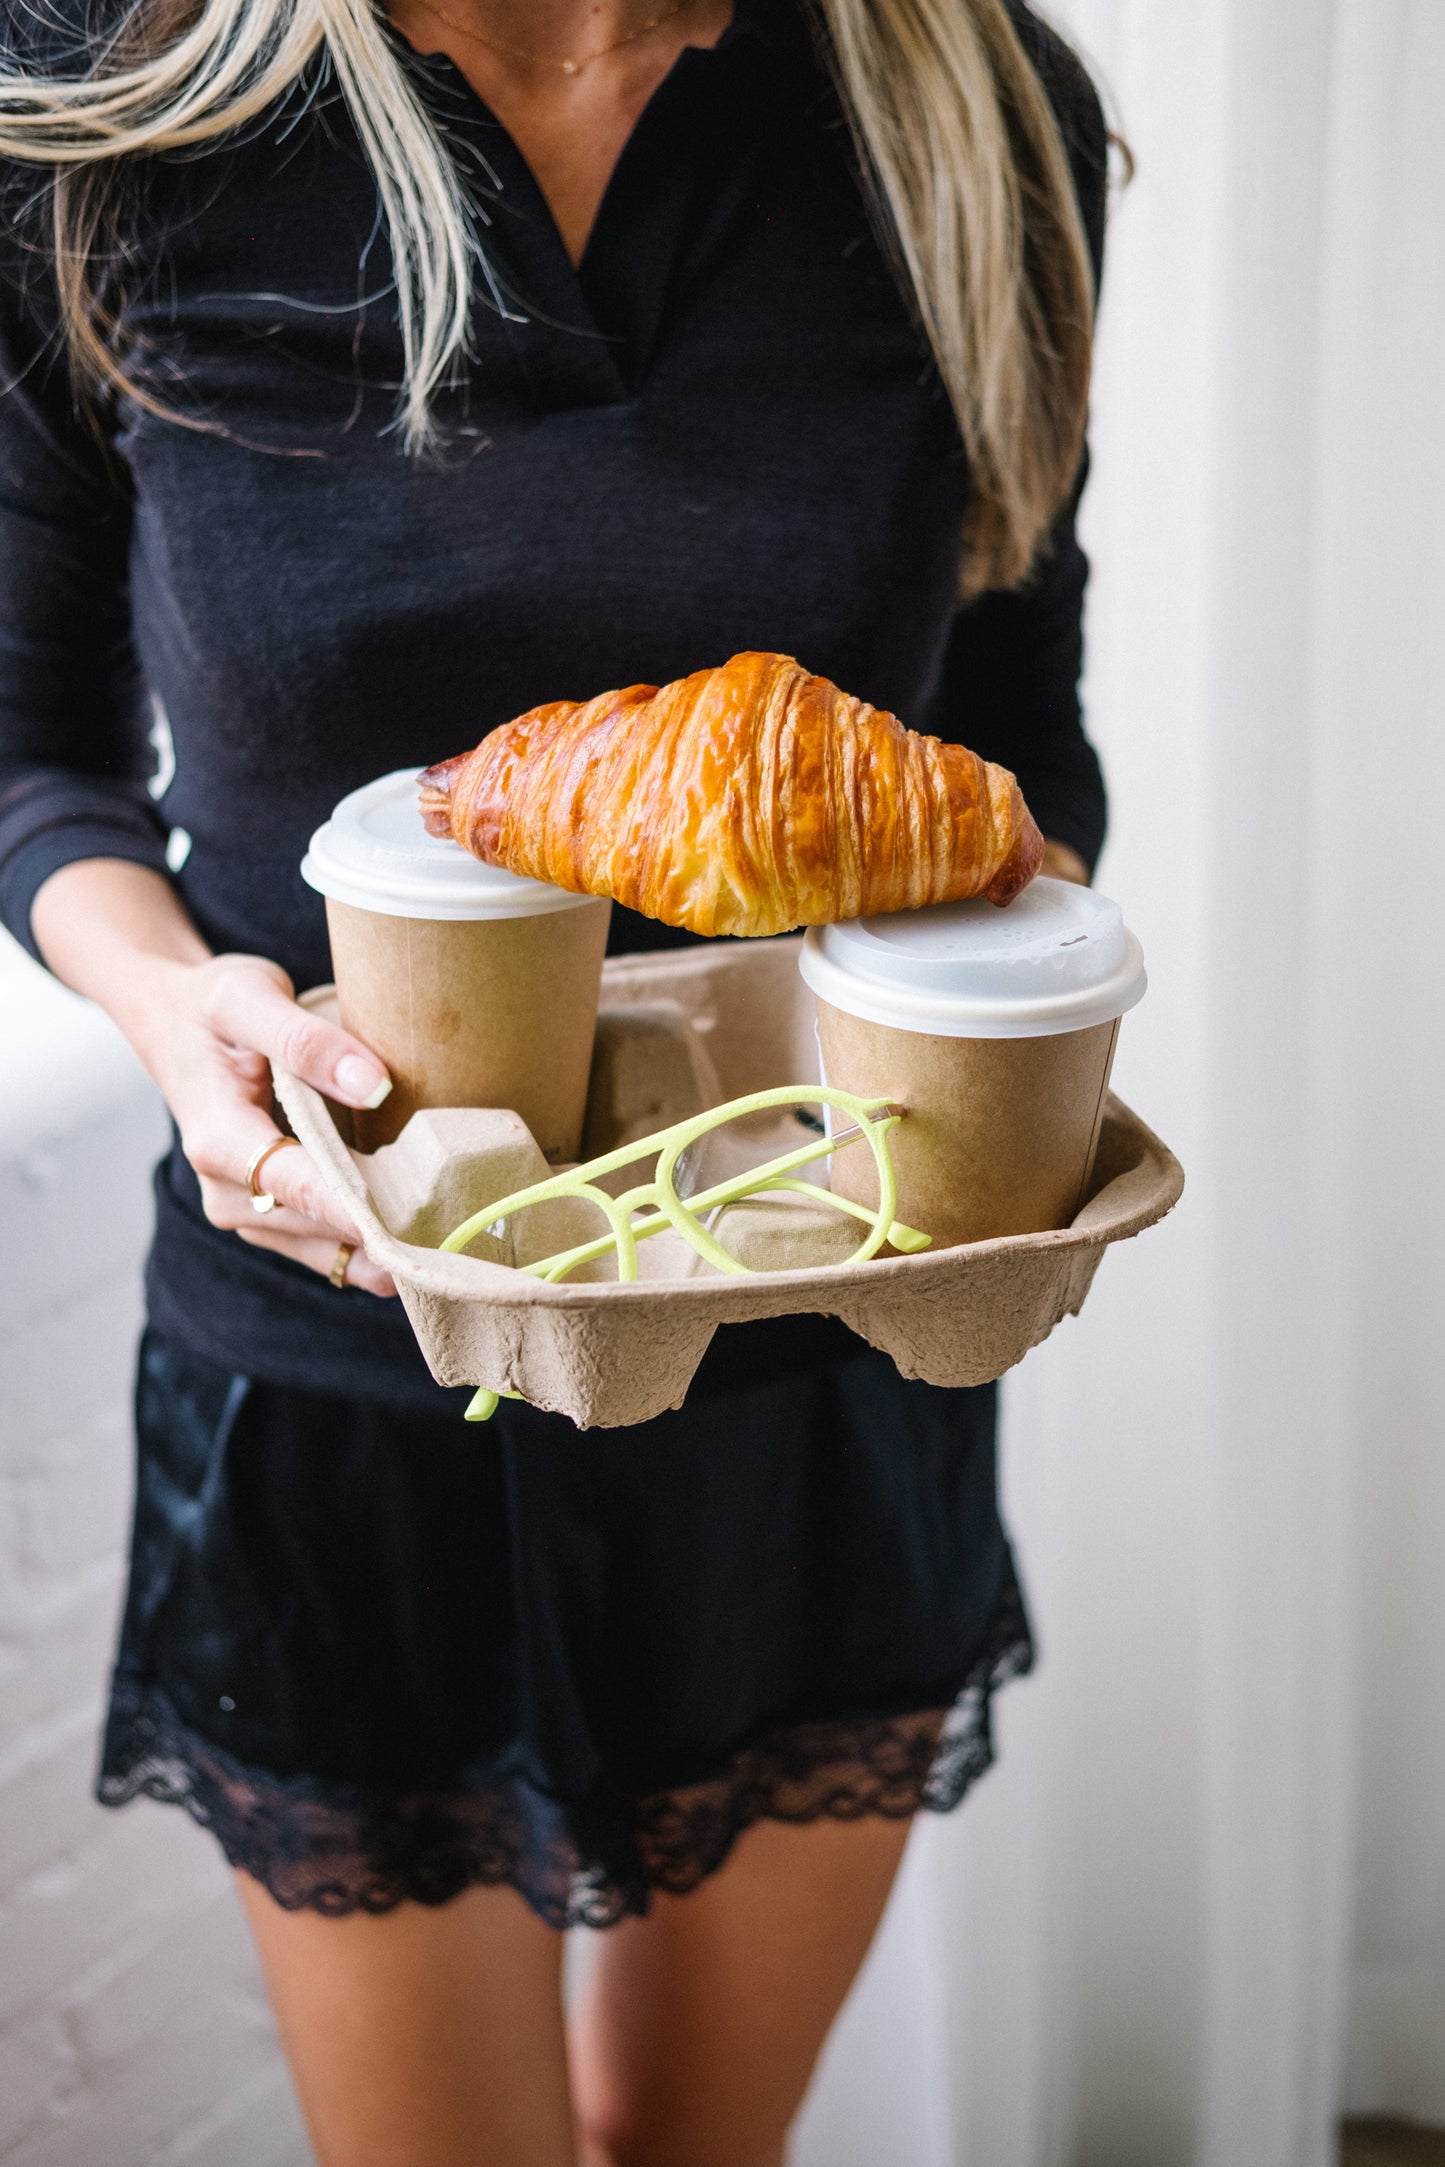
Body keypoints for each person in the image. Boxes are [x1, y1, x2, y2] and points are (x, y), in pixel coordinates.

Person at [0, 0, 1110, 2157]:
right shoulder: (99, 96)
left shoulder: (976, 103)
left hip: (830, 1347)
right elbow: (30, 752)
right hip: (340, 1385)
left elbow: (1014, 725)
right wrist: (175, 1009)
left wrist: (1034, 982)